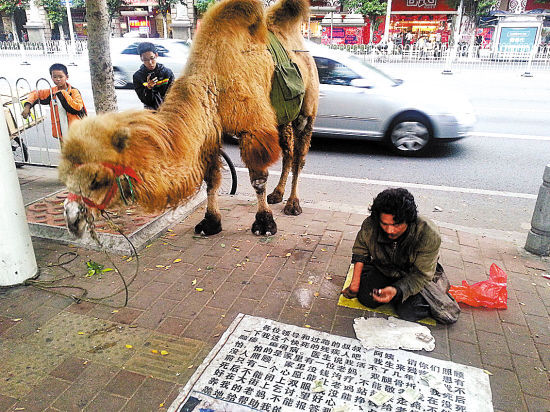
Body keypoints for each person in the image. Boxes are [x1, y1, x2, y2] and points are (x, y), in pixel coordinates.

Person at [341, 188, 460, 324]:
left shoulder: (428, 233)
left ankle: (437, 284)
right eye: (384, 224)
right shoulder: (370, 225)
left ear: (408, 220)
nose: (390, 230)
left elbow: (422, 274)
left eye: (396, 225)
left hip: (414, 274)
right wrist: (355, 284)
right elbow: (360, 251)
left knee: (408, 312)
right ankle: (391, 291)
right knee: (366, 298)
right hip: (385, 268)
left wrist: (397, 290)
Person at [21, 63, 87, 142]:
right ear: (51, 77)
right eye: (55, 77)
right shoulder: (52, 92)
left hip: (76, 132)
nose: (58, 79)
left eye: (61, 77)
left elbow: (77, 108)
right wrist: (27, 106)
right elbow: (35, 94)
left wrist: (62, 94)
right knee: (64, 152)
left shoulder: (74, 92)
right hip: (62, 133)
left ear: (67, 77)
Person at [133, 42, 175, 110]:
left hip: (168, 111)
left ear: (156, 55)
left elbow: (173, 96)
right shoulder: (138, 77)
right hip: (150, 114)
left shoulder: (167, 73)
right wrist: (149, 88)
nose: (150, 62)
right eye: (146, 60)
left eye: (152, 58)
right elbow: (146, 101)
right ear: (141, 58)